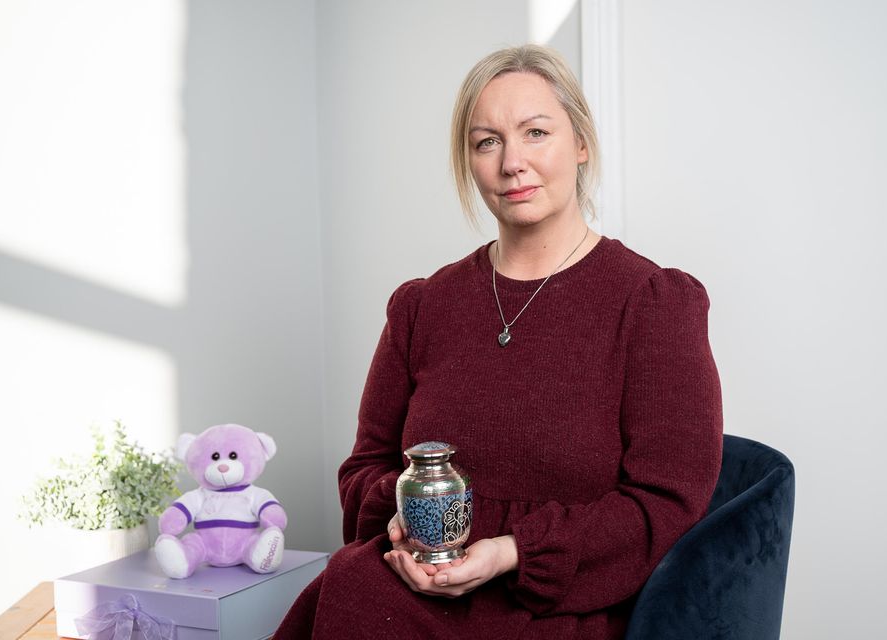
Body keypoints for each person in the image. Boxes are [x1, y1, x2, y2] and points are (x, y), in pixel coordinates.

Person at [275, 44, 722, 639]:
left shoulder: (654, 304)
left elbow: (665, 503)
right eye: (487, 142)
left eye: (536, 132)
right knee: (351, 583)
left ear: (581, 144)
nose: (513, 162)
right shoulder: (422, 306)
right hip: (404, 595)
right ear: (469, 162)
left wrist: (510, 551)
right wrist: (410, 524)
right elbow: (364, 470)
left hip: (554, 615)